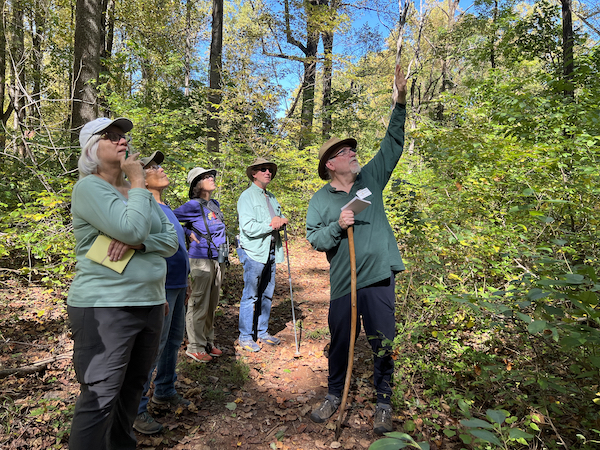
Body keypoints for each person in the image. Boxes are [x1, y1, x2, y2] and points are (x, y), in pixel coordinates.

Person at [305, 65, 407, 435]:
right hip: (344, 283)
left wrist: (400, 100)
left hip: (379, 276)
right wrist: (337, 225)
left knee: (383, 342)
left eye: (351, 150)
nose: (352, 153)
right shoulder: (320, 199)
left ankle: (383, 401)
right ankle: (334, 394)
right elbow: (315, 238)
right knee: (340, 342)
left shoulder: (372, 178)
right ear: (330, 164)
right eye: (344, 152)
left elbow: (392, 143)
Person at [67, 117, 179, 450]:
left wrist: (140, 244)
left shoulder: (135, 193)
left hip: (149, 304)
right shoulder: (90, 187)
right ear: (91, 148)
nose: (122, 141)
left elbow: (171, 240)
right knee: (100, 398)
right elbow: (131, 228)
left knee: (131, 394)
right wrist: (139, 187)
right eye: (111, 136)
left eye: (123, 136)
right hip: (105, 307)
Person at [133, 151, 192, 435]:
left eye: (159, 164)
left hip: (178, 284)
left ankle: (165, 390)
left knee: (173, 341)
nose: (161, 169)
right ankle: (136, 409)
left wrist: (187, 279)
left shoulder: (166, 207)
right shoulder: (142, 207)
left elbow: (177, 248)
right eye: (153, 167)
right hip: (161, 287)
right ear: (139, 177)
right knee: (152, 348)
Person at [174, 167, 227, 363]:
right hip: (200, 259)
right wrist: (187, 234)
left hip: (217, 260)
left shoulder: (214, 204)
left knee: (212, 304)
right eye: (205, 177)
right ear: (196, 185)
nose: (211, 178)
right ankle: (194, 346)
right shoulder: (192, 205)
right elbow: (170, 218)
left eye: (211, 175)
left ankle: (207, 342)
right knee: (198, 303)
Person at [236, 157, 288, 352]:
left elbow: (276, 220)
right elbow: (247, 228)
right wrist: (271, 224)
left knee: (267, 294)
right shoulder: (246, 197)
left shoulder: (272, 197)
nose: (268, 172)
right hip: (254, 252)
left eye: (270, 170)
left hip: (272, 250)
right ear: (254, 174)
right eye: (263, 169)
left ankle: (262, 331)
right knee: (250, 295)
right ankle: (245, 336)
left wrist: (282, 221)